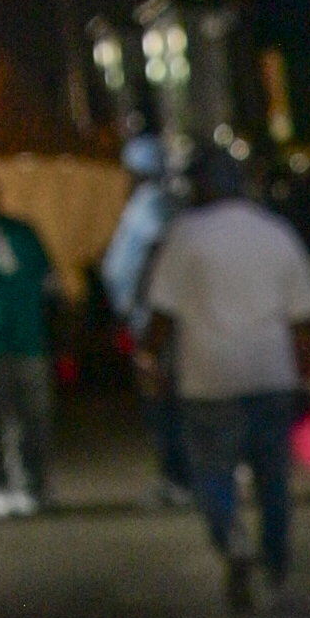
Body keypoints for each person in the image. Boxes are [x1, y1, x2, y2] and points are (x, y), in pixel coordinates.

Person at [145, 145, 310, 609]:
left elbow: (161, 314)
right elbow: (302, 317)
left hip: (208, 378)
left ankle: (233, 542)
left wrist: (148, 360)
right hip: (270, 373)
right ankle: (276, 559)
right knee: (272, 476)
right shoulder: (276, 233)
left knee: (213, 473)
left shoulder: (185, 236)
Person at [99, 134, 189, 503]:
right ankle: (177, 475)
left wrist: (144, 305)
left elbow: (154, 254)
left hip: (153, 321)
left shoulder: (152, 204)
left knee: (162, 400)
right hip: (148, 317)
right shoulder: (152, 202)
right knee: (162, 398)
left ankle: (177, 478)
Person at [0, 187, 51, 513]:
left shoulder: (21, 232)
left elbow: (45, 277)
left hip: (28, 339)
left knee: (33, 417)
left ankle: (31, 484)